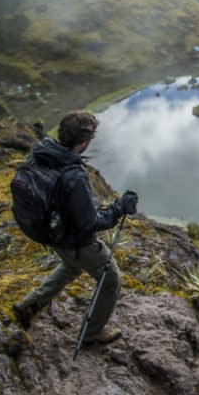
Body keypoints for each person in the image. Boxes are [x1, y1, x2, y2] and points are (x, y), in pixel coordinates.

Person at [12, 110, 138, 346]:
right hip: (76, 241)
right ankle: (92, 334)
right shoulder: (73, 174)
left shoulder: (44, 155)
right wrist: (120, 208)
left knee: (71, 267)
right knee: (110, 280)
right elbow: (90, 223)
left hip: (51, 234)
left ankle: (28, 305)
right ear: (85, 140)